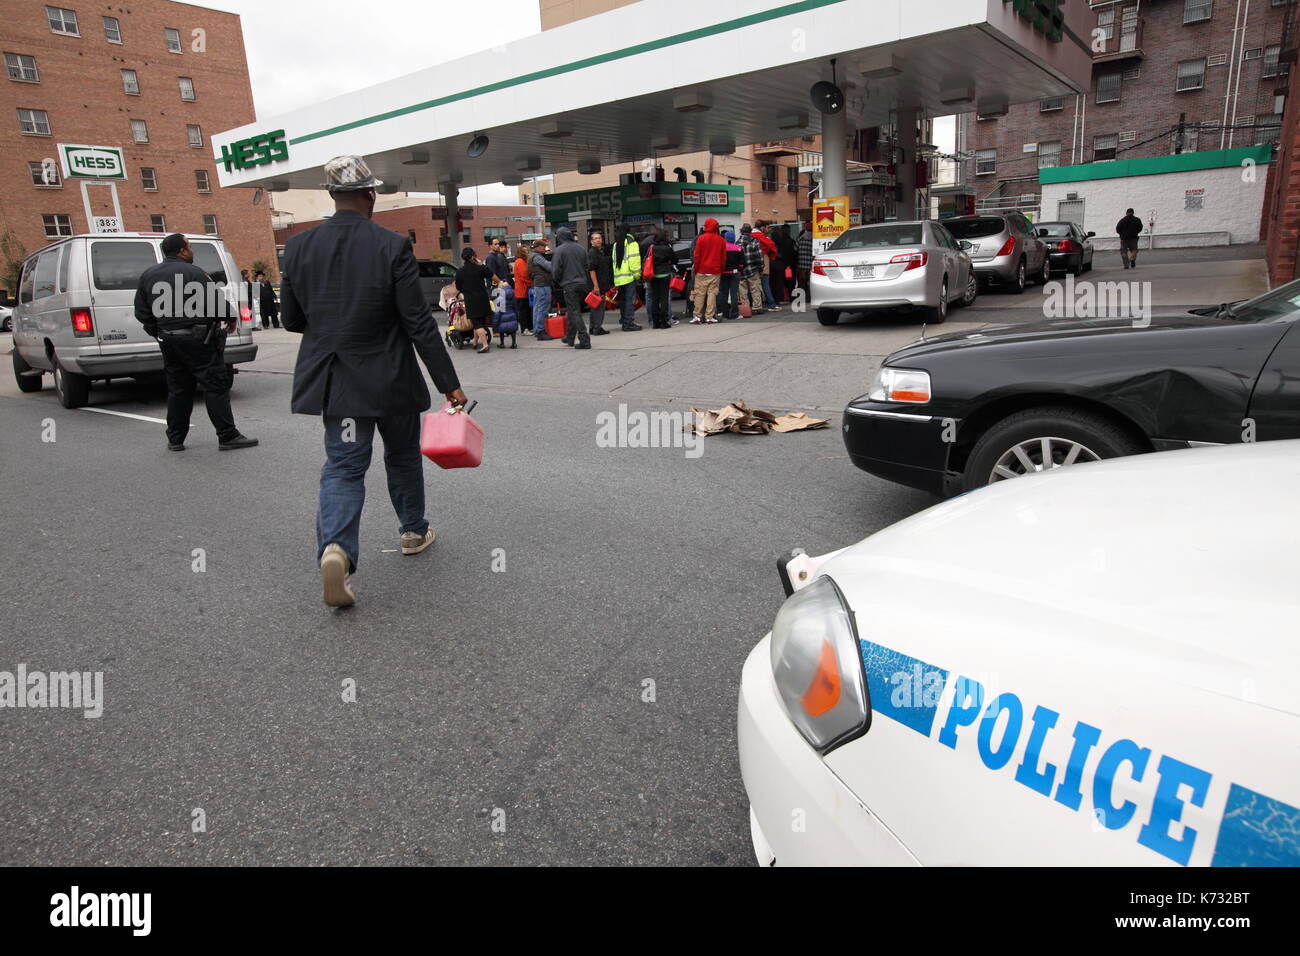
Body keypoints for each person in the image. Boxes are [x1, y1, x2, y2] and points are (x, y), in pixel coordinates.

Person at [279, 154, 466, 609]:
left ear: (331, 195)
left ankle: (337, 549)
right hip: (391, 379)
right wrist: (449, 384)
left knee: (343, 467)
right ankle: (413, 531)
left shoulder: (300, 247)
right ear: (369, 194)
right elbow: (418, 321)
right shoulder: (390, 244)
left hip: (337, 381)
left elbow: (289, 319)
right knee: (401, 456)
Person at [134, 233, 258, 452]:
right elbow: (215, 301)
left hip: (169, 341)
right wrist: (229, 318)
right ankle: (227, 435)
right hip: (198, 340)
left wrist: (159, 331)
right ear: (182, 251)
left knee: (178, 390)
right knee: (215, 385)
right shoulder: (194, 272)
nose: (191, 250)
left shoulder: (148, 275)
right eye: (189, 246)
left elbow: (142, 312)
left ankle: (175, 439)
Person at [551, 226, 591, 349]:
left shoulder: (560, 250)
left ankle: (584, 339)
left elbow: (556, 270)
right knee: (573, 310)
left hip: (569, 284)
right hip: (582, 284)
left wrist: (558, 281)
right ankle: (569, 336)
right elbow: (587, 266)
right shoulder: (581, 248)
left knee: (574, 312)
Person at [455, 247, 496, 353]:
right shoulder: (480, 268)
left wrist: (465, 290)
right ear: (473, 256)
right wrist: (481, 264)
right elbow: (490, 274)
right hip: (483, 299)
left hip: (471, 300)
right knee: (480, 323)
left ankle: (485, 345)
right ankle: (474, 341)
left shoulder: (460, 272)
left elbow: (458, 287)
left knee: (477, 324)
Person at [690, 217, 726, 324]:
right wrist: (721, 269)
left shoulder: (701, 239)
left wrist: (696, 269)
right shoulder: (720, 240)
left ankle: (697, 316)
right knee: (712, 294)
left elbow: (697, 256)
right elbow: (723, 257)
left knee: (699, 294)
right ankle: (709, 317)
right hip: (715, 271)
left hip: (701, 270)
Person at [609, 223, 643, 331]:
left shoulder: (616, 244)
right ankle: (629, 323)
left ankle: (624, 320)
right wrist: (637, 275)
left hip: (619, 278)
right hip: (629, 277)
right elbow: (634, 261)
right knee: (629, 300)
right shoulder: (631, 243)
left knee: (623, 301)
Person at [647, 227, 675, 329]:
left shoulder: (651, 247)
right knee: (664, 298)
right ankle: (664, 321)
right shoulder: (668, 248)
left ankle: (655, 322)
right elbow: (674, 259)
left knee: (655, 298)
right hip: (665, 275)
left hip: (653, 275)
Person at [586, 230, 614, 335]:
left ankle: (593, 327)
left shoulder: (599, 252)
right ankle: (597, 328)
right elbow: (592, 270)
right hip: (598, 285)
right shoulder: (593, 253)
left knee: (595, 306)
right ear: (591, 241)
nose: (598, 240)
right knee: (599, 307)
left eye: (599, 238)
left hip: (600, 284)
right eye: (595, 238)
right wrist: (596, 286)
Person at [527, 238, 555, 340]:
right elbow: (548, 266)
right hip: (542, 284)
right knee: (543, 308)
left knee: (538, 308)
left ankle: (537, 330)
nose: (545, 249)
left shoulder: (532, 255)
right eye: (544, 247)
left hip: (538, 285)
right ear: (539, 247)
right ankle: (540, 330)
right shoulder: (537, 257)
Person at [738, 224, 766, 315]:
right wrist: (761, 268)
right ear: (750, 232)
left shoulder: (737, 243)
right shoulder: (755, 242)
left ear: (741, 231)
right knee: (755, 289)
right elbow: (760, 257)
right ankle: (757, 308)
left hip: (741, 271)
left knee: (743, 290)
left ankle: (745, 308)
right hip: (753, 269)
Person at [752, 224, 779, 310]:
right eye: (767, 227)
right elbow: (772, 245)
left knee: (753, 285)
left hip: (751, 261)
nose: (768, 230)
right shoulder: (762, 236)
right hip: (764, 259)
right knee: (765, 282)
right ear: (762, 227)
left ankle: (756, 305)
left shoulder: (749, 236)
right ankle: (771, 303)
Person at [719, 229, 743, 319]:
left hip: (723, 273)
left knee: (723, 294)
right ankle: (734, 314)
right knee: (734, 293)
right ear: (733, 238)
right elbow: (742, 262)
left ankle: (725, 313)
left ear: (725, 238)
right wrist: (739, 269)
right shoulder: (738, 248)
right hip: (735, 273)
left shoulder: (721, 248)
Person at [772, 224, 798, 304]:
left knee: (781, 282)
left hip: (781, 264)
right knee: (791, 282)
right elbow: (795, 253)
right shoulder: (791, 241)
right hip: (790, 266)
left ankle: (781, 298)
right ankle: (792, 298)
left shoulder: (777, 242)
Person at [512, 245, 532, 335]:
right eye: (525, 251)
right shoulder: (520, 262)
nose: (527, 252)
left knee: (525, 310)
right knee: (524, 310)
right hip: (522, 290)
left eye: (527, 250)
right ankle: (525, 328)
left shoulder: (520, 261)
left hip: (522, 289)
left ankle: (527, 327)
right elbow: (524, 275)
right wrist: (531, 282)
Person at [796, 223, 813, 297]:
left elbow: (795, 248)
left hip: (801, 265)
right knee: (810, 283)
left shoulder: (801, 238)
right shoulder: (814, 239)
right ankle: (809, 298)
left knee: (801, 283)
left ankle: (800, 298)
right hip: (810, 265)